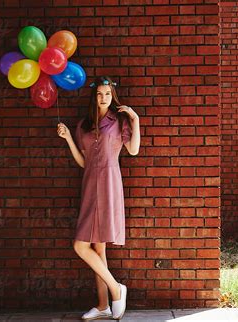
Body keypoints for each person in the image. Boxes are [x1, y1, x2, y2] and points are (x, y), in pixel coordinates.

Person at [57, 76, 140, 320]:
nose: (103, 98)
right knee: (96, 248)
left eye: (107, 94)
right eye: (99, 94)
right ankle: (104, 304)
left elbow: (133, 150)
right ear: (93, 97)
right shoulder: (83, 124)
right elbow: (84, 162)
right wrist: (69, 139)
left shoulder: (120, 121)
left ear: (112, 96)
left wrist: (136, 119)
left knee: (80, 245)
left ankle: (115, 289)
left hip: (109, 184)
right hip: (89, 184)